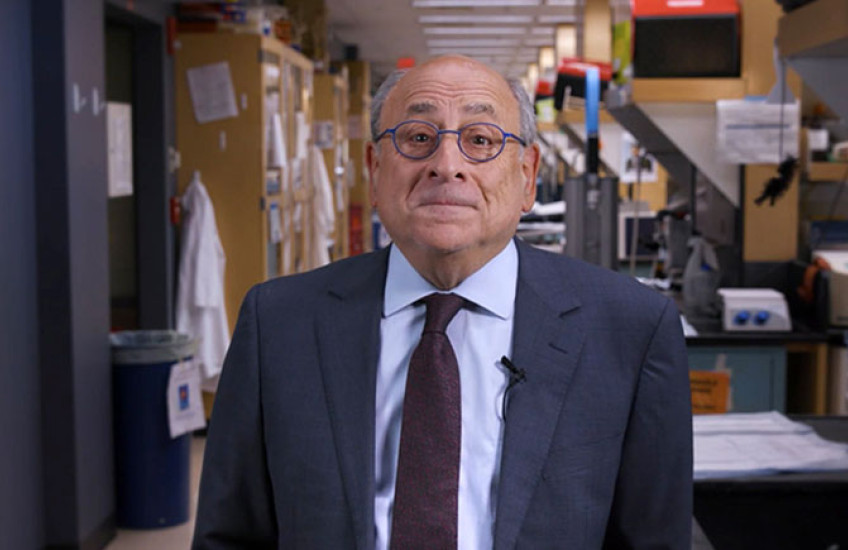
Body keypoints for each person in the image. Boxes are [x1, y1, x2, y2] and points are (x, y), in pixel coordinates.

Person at [192, 55, 692, 549]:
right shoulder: (278, 325)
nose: (447, 166)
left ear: (527, 174)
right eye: (417, 138)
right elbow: (230, 538)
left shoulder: (630, 329)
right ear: (374, 168)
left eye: (480, 140)